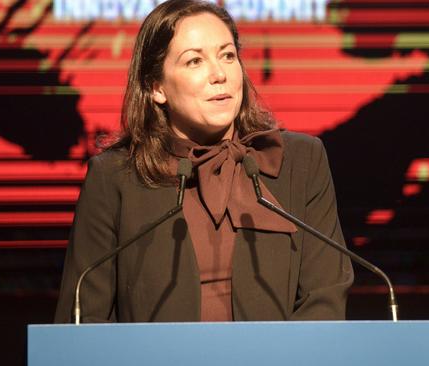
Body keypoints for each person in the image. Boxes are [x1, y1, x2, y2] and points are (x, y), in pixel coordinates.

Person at [54, 0, 353, 323]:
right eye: (194, 61)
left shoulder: (299, 160)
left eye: (227, 55)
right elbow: (83, 317)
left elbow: (325, 297)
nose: (219, 74)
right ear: (156, 88)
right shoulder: (114, 176)